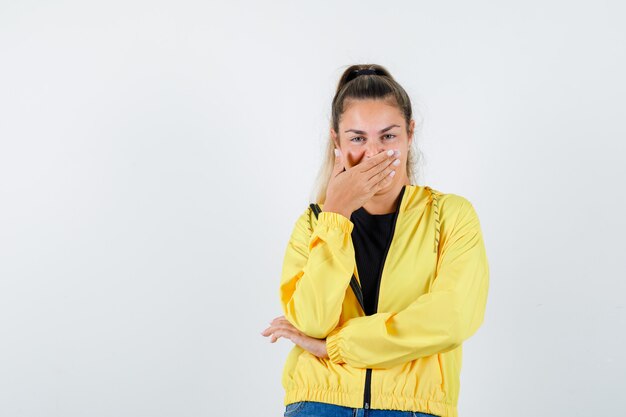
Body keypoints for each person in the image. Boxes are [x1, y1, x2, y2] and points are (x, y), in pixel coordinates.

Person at [261, 64, 490, 417]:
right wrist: (336, 216)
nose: (374, 153)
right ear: (336, 141)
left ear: (410, 134)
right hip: (318, 404)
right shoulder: (314, 223)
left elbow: (452, 318)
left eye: (388, 136)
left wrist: (335, 347)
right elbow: (312, 321)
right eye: (357, 138)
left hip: (414, 408)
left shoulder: (451, 216)